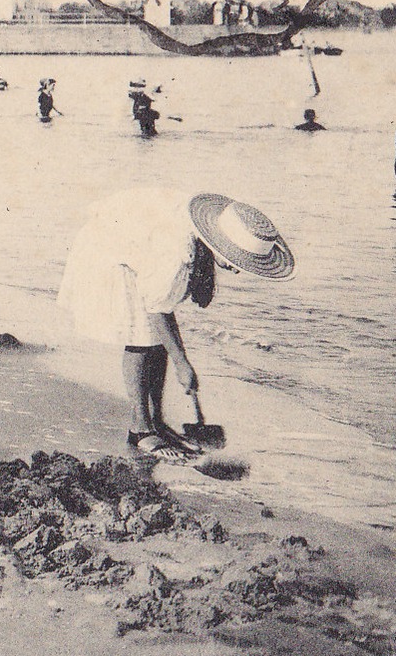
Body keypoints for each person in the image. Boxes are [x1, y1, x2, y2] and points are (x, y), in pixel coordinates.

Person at [58, 190, 294, 463]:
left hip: (131, 243)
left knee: (156, 338)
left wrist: (181, 359)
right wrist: (183, 363)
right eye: (236, 260)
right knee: (141, 336)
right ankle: (141, 429)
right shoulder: (175, 253)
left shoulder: (195, 240)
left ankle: (156, 422)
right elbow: (158, 311)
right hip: (106, 251)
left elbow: (164, 312)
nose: (238, 269)